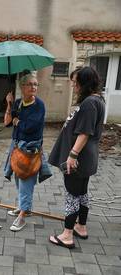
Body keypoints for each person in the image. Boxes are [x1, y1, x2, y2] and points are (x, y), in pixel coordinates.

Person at [48, 66, 105, 249]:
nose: (73, 86)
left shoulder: (89, 103)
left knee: (72, 194)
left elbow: (85, 133)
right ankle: (81, 226)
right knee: (81, 192)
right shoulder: (97, 100)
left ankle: (67, 235)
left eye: (75, 82)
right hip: (86, 157)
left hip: (79, 158)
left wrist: (72, 156)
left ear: (85, 82)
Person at [3, 73, 46, 231]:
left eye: (36, 84)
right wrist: (9, 104)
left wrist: (17, 121)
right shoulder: (19, 103)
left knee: (26, 181)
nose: (34, 87)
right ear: (22, 87)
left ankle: (22, 216)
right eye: (30, 84)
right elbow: (7, 122)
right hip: (16, 148)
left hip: (30, 149)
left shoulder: (39, 105)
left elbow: (30, 127)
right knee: (18, 179)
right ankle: (24, 207)